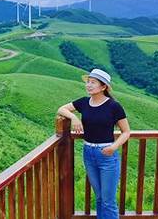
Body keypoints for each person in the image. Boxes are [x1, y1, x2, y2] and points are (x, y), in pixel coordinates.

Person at [57, 68, 130, 219]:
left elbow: (126, 132)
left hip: (107, 154)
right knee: (99, 198)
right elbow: (61, 109)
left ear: (103, 87)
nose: (89, 85)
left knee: (108, 200)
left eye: (93, 82)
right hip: (88, 152)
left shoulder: (113, 106)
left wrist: (114, 147)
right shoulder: (84, 102)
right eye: (88, 82)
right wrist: (74, 118)